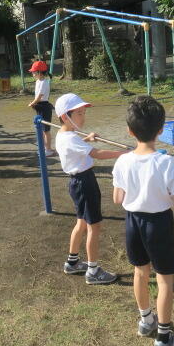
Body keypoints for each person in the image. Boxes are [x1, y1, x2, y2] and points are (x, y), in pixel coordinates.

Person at [112, 95, 174, 346]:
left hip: (133, 222)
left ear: (130, 131)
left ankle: (146, 320)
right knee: (164, 278)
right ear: (161, 130)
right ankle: (164, 338)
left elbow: (117, 198)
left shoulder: (122, 161)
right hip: (158, 223)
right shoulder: (166, 163)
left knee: (140, 271)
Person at [55, 93, 123, 285]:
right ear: (65, 117)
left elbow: (74, 147)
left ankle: (72, 262)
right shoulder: (70, 138)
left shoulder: (64, 135)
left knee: (82, 223)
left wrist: (86, 139)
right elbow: (97, 154)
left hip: (77, 183)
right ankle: (93, 271)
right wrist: (124, 153)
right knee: (94, 226)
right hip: (84, 183)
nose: (83, 117)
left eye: (83, 113)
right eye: (79, 114)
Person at [27, 60, 55, 157]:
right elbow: (37, 97)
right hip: (40, 106)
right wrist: (34, 103)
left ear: (39, 72)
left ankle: (48, 149)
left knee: (46, 130)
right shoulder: (38, 81)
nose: (33, 74)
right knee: (41, 129)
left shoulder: (44, 82)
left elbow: (40, 96)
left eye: (34, 72)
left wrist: (32, 103)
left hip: (44, 107)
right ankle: (44, 148)